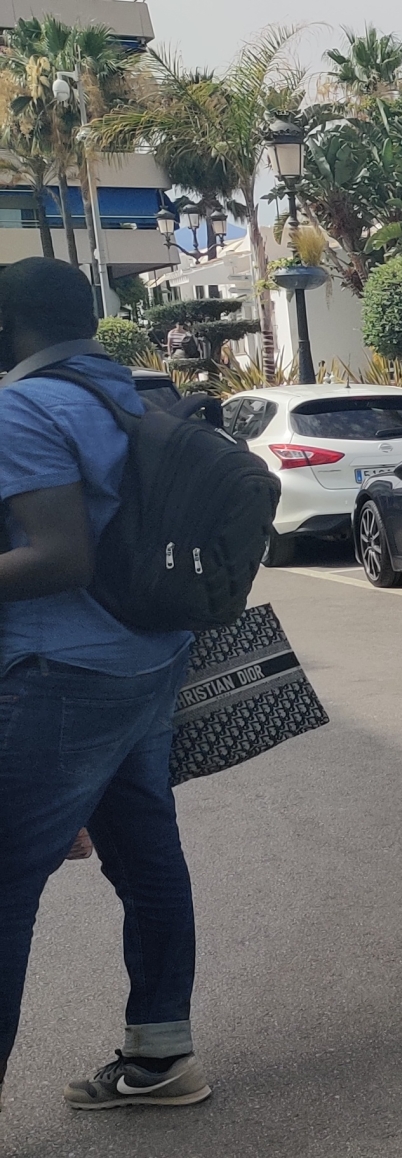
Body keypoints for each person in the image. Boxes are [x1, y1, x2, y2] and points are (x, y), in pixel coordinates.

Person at [0, 258, 207, 1112]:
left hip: (62, 675)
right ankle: (161, 1059)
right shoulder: (133, 397)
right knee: (146, 857)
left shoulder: (21, 406)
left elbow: (60, 555)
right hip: (150, 658)